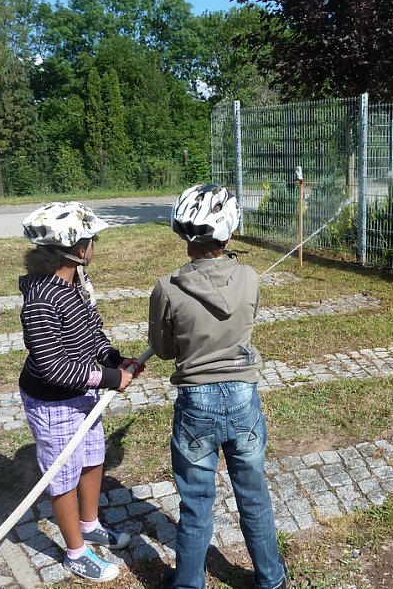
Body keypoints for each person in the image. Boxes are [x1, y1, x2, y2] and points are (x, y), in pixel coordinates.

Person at [149, 184, 287, 589]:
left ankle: (188, 583)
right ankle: (271, 579)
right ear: (228, 235)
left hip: (196, 404)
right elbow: (246, 322)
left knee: (196, 503)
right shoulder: (248, 276)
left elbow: (161, 349)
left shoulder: (168, 288)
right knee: (254, 496)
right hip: (244, 398)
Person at [20, 201, 144, 583]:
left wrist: (115, 360)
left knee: (92, 459)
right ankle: (76, 553)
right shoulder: (42, 298)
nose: (94, 245)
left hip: (83, 391)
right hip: (53, 400)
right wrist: (108, 379)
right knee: (63, 476)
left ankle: (89, 525)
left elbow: (93, 332)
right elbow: (52, 367)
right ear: (75, 248)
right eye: (91, 239)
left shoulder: (75, 283)